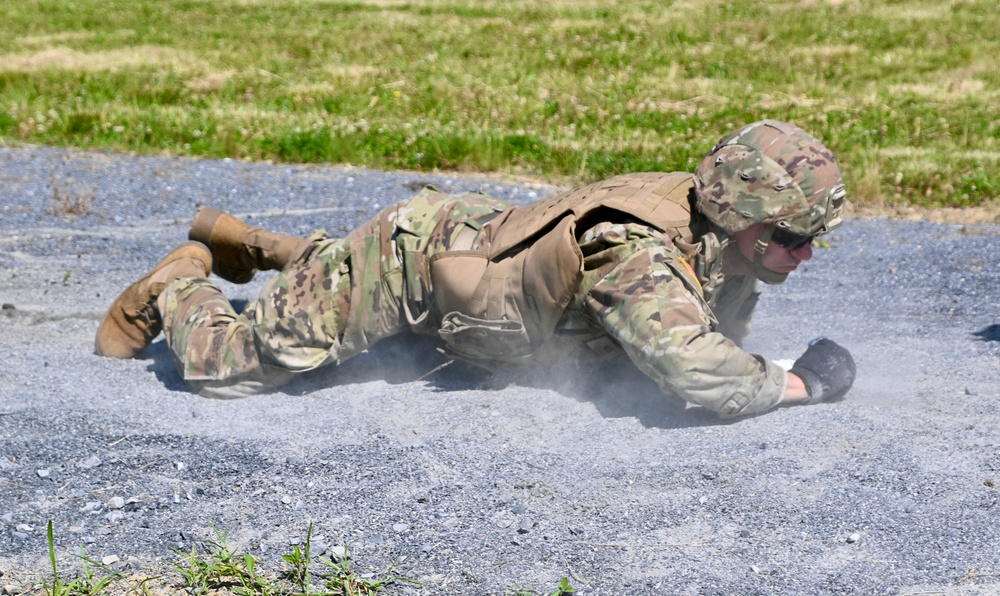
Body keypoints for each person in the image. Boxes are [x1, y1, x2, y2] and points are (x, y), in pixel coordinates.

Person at [95, 119, 856, 418]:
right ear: (740, 210)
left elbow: (691, 338)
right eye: (792, 236)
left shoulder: (721, 234)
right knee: (233, 368)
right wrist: (801, 383)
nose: (805, 253)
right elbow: (697, 372)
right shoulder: (641, 249)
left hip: (467, 262)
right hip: (410, 263)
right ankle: (181, 278)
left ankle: (254, 245)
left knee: (363, 303)